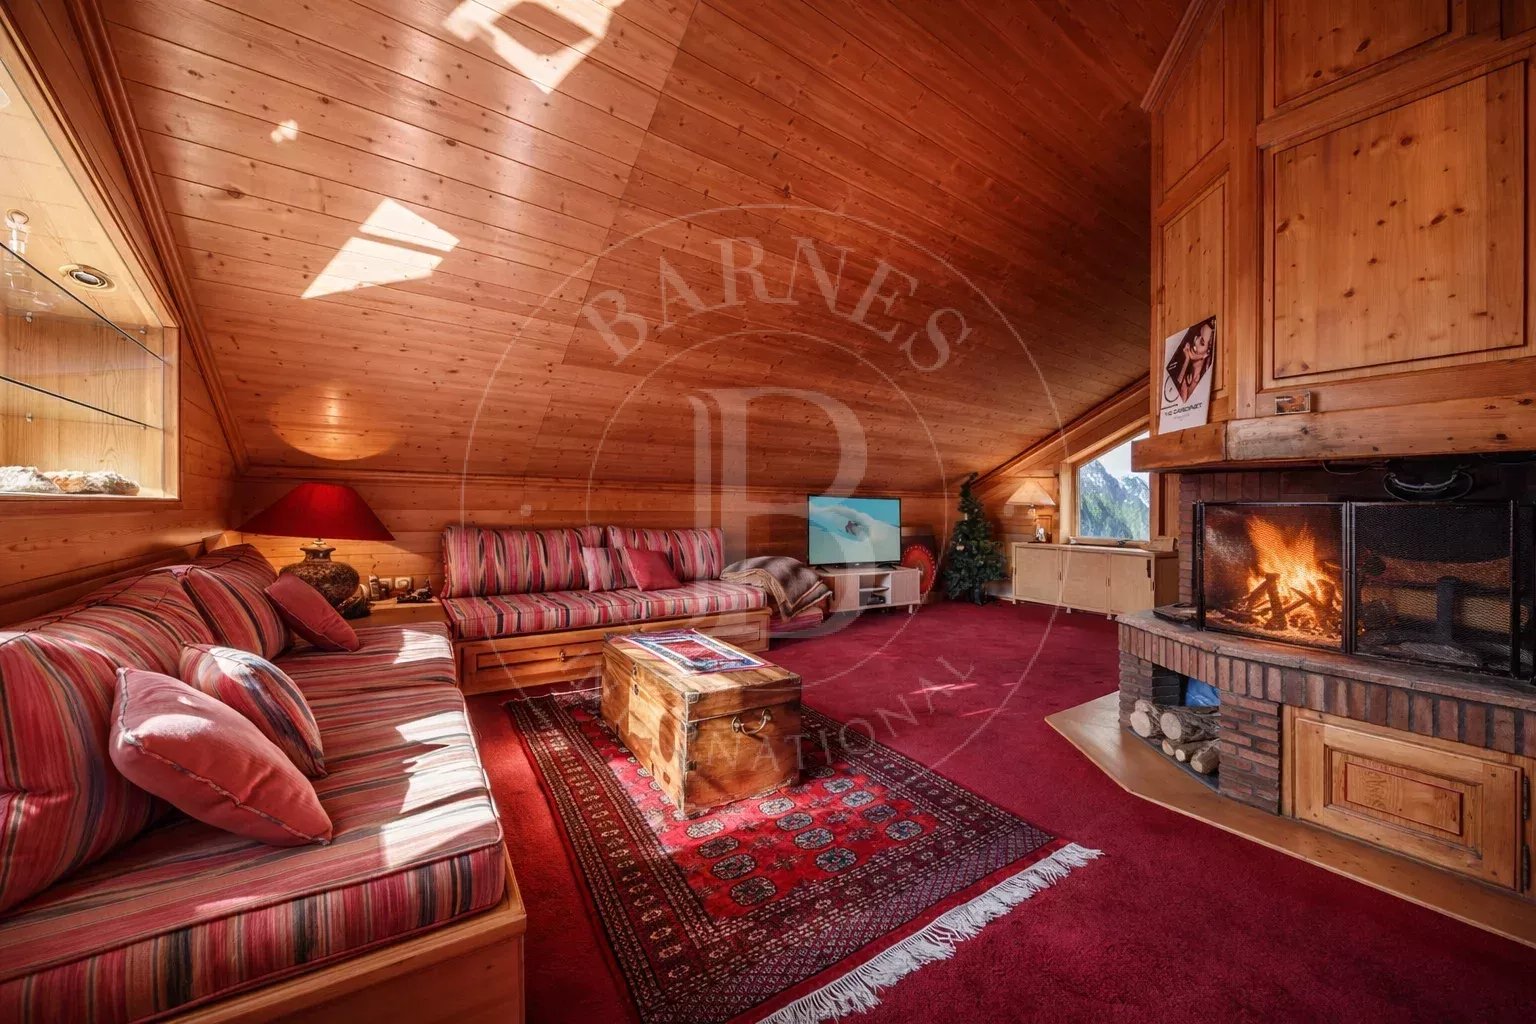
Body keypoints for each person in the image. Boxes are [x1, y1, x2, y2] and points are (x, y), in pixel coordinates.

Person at [1166, 319, 1214, 403]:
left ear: (1207, 353)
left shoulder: (1203, 380)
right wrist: (1187, 360)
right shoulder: (1188, 373)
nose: (1195, 341)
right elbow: (1175, 397)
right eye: (1198, 336)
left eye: (1202, 342)